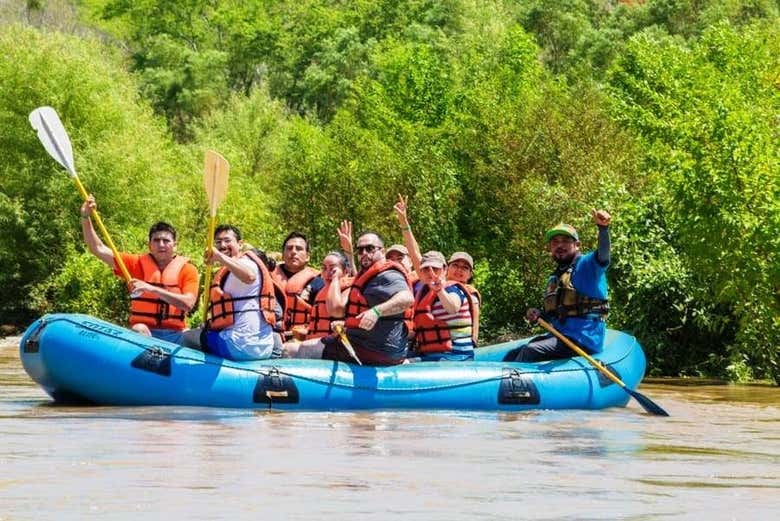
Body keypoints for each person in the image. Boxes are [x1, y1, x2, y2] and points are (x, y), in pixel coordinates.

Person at [79, 195, 198, 343]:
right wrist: (85, 217)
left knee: (197, 336)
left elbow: (188, 304)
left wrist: (151, 288)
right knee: (139, 328)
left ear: (175, 245)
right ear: (150, 245)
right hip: (145, 332)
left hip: (176, 333)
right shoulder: (135, 263)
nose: (161, 244)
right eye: (156, 240)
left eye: (166, 241)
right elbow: (97, 248)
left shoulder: (187, 269)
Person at [295, 232, 414, 366]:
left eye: (369, 248)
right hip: (364, 344)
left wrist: (376, 312)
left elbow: (407, 298)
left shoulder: (388, 275)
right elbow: (340, 311)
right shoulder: (367, 276)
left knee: (301, 350)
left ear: (382, 251)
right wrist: (346, 325)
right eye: (360, 250)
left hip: (373, 350)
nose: (364, 253)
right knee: (295, 348)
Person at [508, 210, 612, 362]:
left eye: (565, 241)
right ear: (550, 248)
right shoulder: (555, 278)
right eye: (555, 242)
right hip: (560, 336)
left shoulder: (587, 265)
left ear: (577, 245)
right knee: (513, 353)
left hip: (584, 339)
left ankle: (512, 384)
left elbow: (603, 255)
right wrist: (539, 314)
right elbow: (554, 314)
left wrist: (603, 229)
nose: (560, 245)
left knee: (531, 350)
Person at [393, 194, 480, 343]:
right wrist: (404, 223)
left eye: (464, 268)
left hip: (455, 350)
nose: (459, 270)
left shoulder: (467, 293)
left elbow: (455, 309)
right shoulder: (431, 279)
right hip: (430, 346)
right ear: (447, 268)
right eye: (456, 265)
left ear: (470, 274)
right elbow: (415, 253)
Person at [181, 225, 277, 360]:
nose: (222, 245)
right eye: (218, 242)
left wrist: (219, 256)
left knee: (186, 337)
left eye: (227, 240)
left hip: (239, 345)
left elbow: (249, 276)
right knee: (203, 332)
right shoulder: (232, 269)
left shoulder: (247, 262)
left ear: (240, 244)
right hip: (261, 347)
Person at [282, 251, 353, 357]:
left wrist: (335, 280)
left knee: (286, 350)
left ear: (345, 271)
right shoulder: (322, 291)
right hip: (317, 342)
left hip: (336, 345)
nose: (328, 272)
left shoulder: (348, 289)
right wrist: (306, 331)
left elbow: (336, 310)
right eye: (324, 268)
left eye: (333, 269)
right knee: (282, 345)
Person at [411, 251, 476, 361]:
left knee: (407, 363)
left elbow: (453, 308)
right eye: (426, 269)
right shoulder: (423, 293)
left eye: (435, 269)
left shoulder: (453, 289)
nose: (431, 273)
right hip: (431, 354)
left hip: (456, 356)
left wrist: (440, 290)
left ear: (444, 270)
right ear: (420, 272)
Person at [271, 232, 321, 338]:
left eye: (299, 249)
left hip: (304, 337)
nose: (293, 252)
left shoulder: (319, 280)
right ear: (283, 255)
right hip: (272, 336)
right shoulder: (268, 277)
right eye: (289, 248)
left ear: (307, 257)